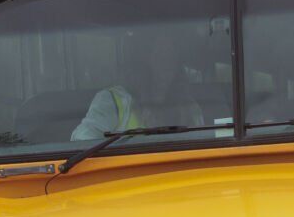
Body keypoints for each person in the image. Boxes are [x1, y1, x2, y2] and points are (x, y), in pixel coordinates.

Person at [71, 31, 206, 140]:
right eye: (160, 54)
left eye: (172, 54)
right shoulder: (113, 102)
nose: (167, 61)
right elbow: (83, 139)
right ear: (143, 60)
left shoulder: (190, 107)